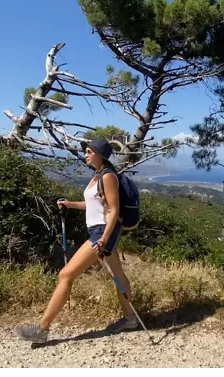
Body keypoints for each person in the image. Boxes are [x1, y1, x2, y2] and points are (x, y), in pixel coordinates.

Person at [13, 138, 139, 343]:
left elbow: (114, 210)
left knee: (66, 274)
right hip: (100, 232)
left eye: (89, 151)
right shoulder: (97, 176)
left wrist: (104, 239)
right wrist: (70, 204)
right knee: (118, 275)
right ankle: (130, 319)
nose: (86, 154)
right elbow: (94, 205)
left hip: (101, 233)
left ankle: (42, 329)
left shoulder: (108, 177)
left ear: (99, 154)